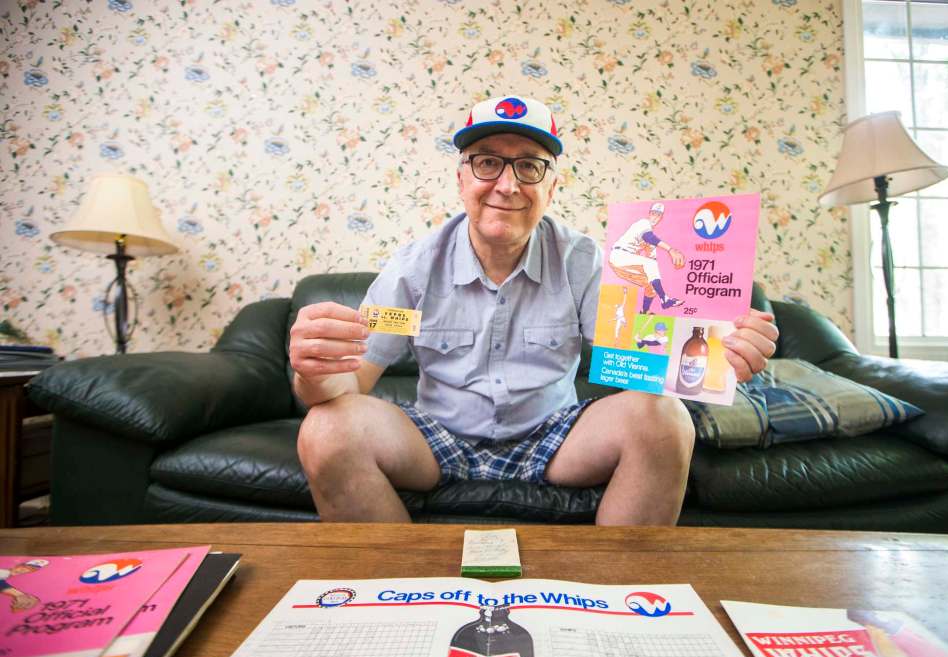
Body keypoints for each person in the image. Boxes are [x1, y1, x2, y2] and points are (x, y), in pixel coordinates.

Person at [291, 95, 778, 526]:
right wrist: (314, 370)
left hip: (555, 437)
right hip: (437, 439)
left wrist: (714, 357)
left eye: (529, 167)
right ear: (462, 178)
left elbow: (642, 364)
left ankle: (619, 604)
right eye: (487, 163)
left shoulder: (584, 262)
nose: (507, 185)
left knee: (666, 417)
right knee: (327, 427)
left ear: (552, 187)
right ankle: (395, 600)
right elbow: (349, 386)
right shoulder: (414, 267)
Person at [608, 201, 687, 314]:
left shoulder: (650, 242)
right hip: (619, 256)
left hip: (624, 267)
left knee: (652, 286)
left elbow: (652, 260)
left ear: (661, 217)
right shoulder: (643, 223)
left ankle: (644, 311)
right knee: (650, 265)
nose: (655, 217)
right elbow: (649, 237)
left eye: (658, 215)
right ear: (649, 214)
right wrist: (671, 250)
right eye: (653, 213)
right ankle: (665, 299)